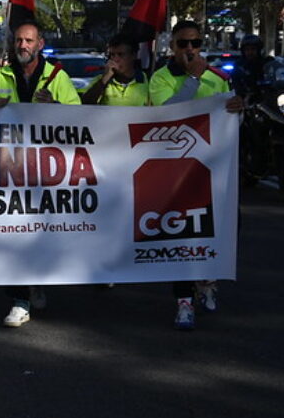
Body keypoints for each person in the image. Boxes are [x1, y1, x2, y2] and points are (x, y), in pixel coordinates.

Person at [0, 19, 81, 327]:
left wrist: (55, 106)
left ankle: (35, 279)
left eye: (28, 41)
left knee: (38, 234)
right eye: (18, 41)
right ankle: (19, 300)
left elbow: (80, 117)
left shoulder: (57, 76)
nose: (22, 45)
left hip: (45, 171)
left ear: (39, 44)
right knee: (13, 234)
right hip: (10, 170)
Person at [149, 19, 244, 330]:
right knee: (178, 236)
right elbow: (166, 116)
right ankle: (183, 301)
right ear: (172, 46)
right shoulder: (161, 78)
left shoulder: (218, 78)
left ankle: (207, 279)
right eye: (183, 44)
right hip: (174, 171)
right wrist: (192, 79)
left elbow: (230, 124)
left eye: (196, 43)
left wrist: (236, 112)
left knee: (223, 227)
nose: (190, 49)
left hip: (212, 170)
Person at [80, 33, 149, 107]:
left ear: (133, 55)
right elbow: (84, 106)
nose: (115, 59)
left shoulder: (147, 80)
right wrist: (104, 80)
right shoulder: (101, 80)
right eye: (112, 55)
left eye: (121, 54)